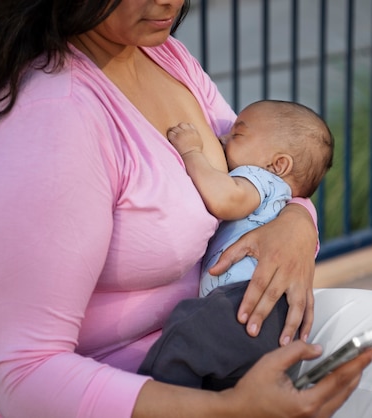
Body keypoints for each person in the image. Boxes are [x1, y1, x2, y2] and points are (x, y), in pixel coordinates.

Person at [0, 0, 372, 417]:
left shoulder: (162, 55)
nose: (170, 0)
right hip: (130, 389)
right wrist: (232, 411)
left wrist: (298, 222)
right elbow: (26, 378)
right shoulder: (51, 123)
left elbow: (265, 174)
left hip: (213, 344)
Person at [138, 99, 334, 389]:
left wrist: (192, 152)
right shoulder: (279, 194)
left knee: (185, 332)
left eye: (237, 135)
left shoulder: (259, 178)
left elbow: (224, 199)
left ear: (278, 164)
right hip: (265, 309)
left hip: (244, 298)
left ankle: (157, 399)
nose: (223, 138)